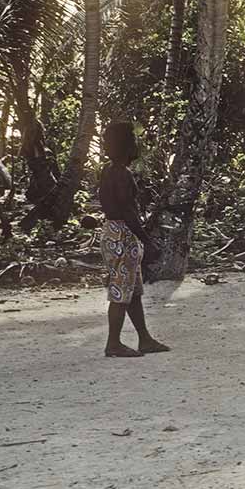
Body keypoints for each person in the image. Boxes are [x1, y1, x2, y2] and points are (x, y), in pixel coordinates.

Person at [98, 122, 169, 358]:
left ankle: (144, 338)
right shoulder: (122, 174)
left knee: (132, 290)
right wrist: (147, 241)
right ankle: (113, 343)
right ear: (126, 145)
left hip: (112, 232)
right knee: (121, 290)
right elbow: (128, 211)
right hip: (123, 234)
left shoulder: (108, 170)